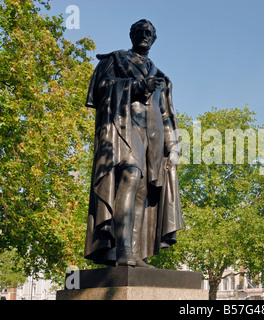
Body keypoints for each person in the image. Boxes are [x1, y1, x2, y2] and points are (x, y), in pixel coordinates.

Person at [84, 19, 183, 268]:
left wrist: (173, 145)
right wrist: (137, 86)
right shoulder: (115, 61)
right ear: (131, 35)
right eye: (139, 32)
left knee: (143, 191)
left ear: (154, 39)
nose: (143, 36)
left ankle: (136, 253)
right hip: (124, 130)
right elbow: (101, 89)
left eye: (148, 33)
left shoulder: (159, 76)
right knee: (129, 176)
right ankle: (123, 249)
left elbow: (166, 114)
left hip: (153, 139)